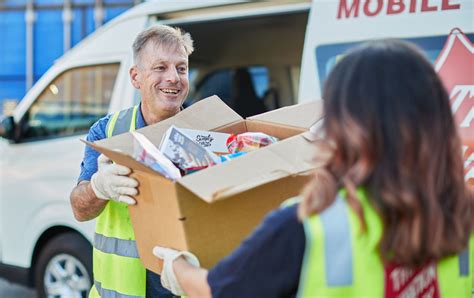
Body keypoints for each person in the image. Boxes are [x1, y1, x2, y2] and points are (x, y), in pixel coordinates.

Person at [152, 40, 474, 297]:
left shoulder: (307, 225)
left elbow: (214, 291)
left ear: (344, 126)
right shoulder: (463, 215)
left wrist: (178, 267)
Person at [70, 24, 194, 297]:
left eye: (181, 68)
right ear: (136, 77)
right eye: (160, 68)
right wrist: (97, 187)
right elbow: (80, 210)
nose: (173, 77)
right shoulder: (107, 132)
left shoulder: (207, 133)